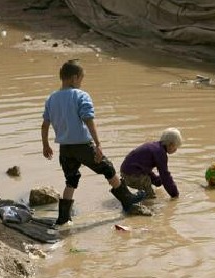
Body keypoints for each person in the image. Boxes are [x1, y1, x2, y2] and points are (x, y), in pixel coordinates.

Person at [41, 59, 143, 225]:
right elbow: (88, 119)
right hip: (82, 145)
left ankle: (63, 217)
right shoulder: (81, 95)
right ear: (74, 78)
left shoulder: (51, 99)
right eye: (81, 79)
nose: (81, 83)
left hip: (65, 148)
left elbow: (45, 125)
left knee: (71, 180)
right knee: (108, 168)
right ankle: (127, 199)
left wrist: (45, 145)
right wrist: (98, 144)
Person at [120, 128, 182, 199]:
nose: (176, 150)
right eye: (176, 147)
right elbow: (165, 176)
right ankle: (144, 207)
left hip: (125, 173)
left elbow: (143, 167)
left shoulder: (154, 146)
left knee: (147, 184)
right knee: (151, 198)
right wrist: (175, 195)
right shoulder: (160, 153)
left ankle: (138, 199)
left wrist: (156, 180)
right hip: (132, 175)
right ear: (171, 144)